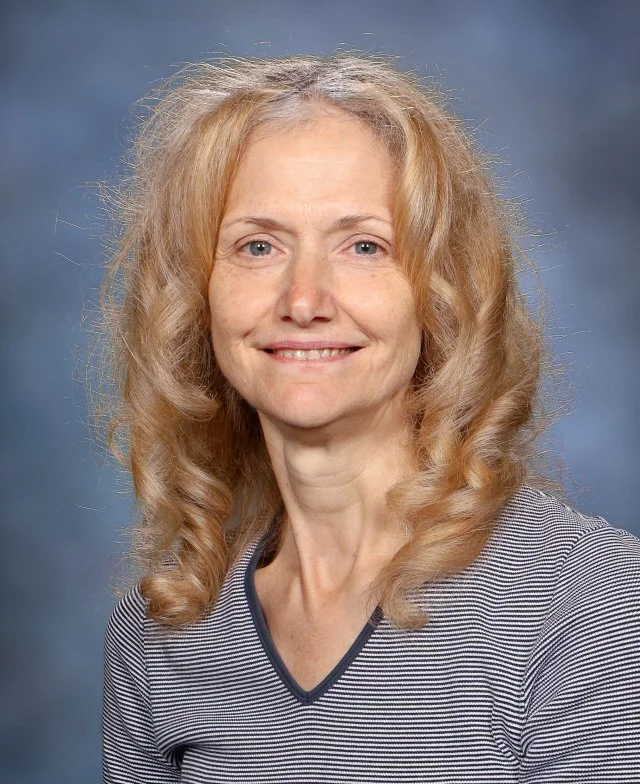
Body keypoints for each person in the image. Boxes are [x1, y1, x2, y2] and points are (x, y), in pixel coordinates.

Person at [98, 52, 640, 782]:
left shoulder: (591, 606)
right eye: (258, 246)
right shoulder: (162, 626)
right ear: (196, 295)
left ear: (442, 292)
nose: (304, 299)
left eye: (363, 246)